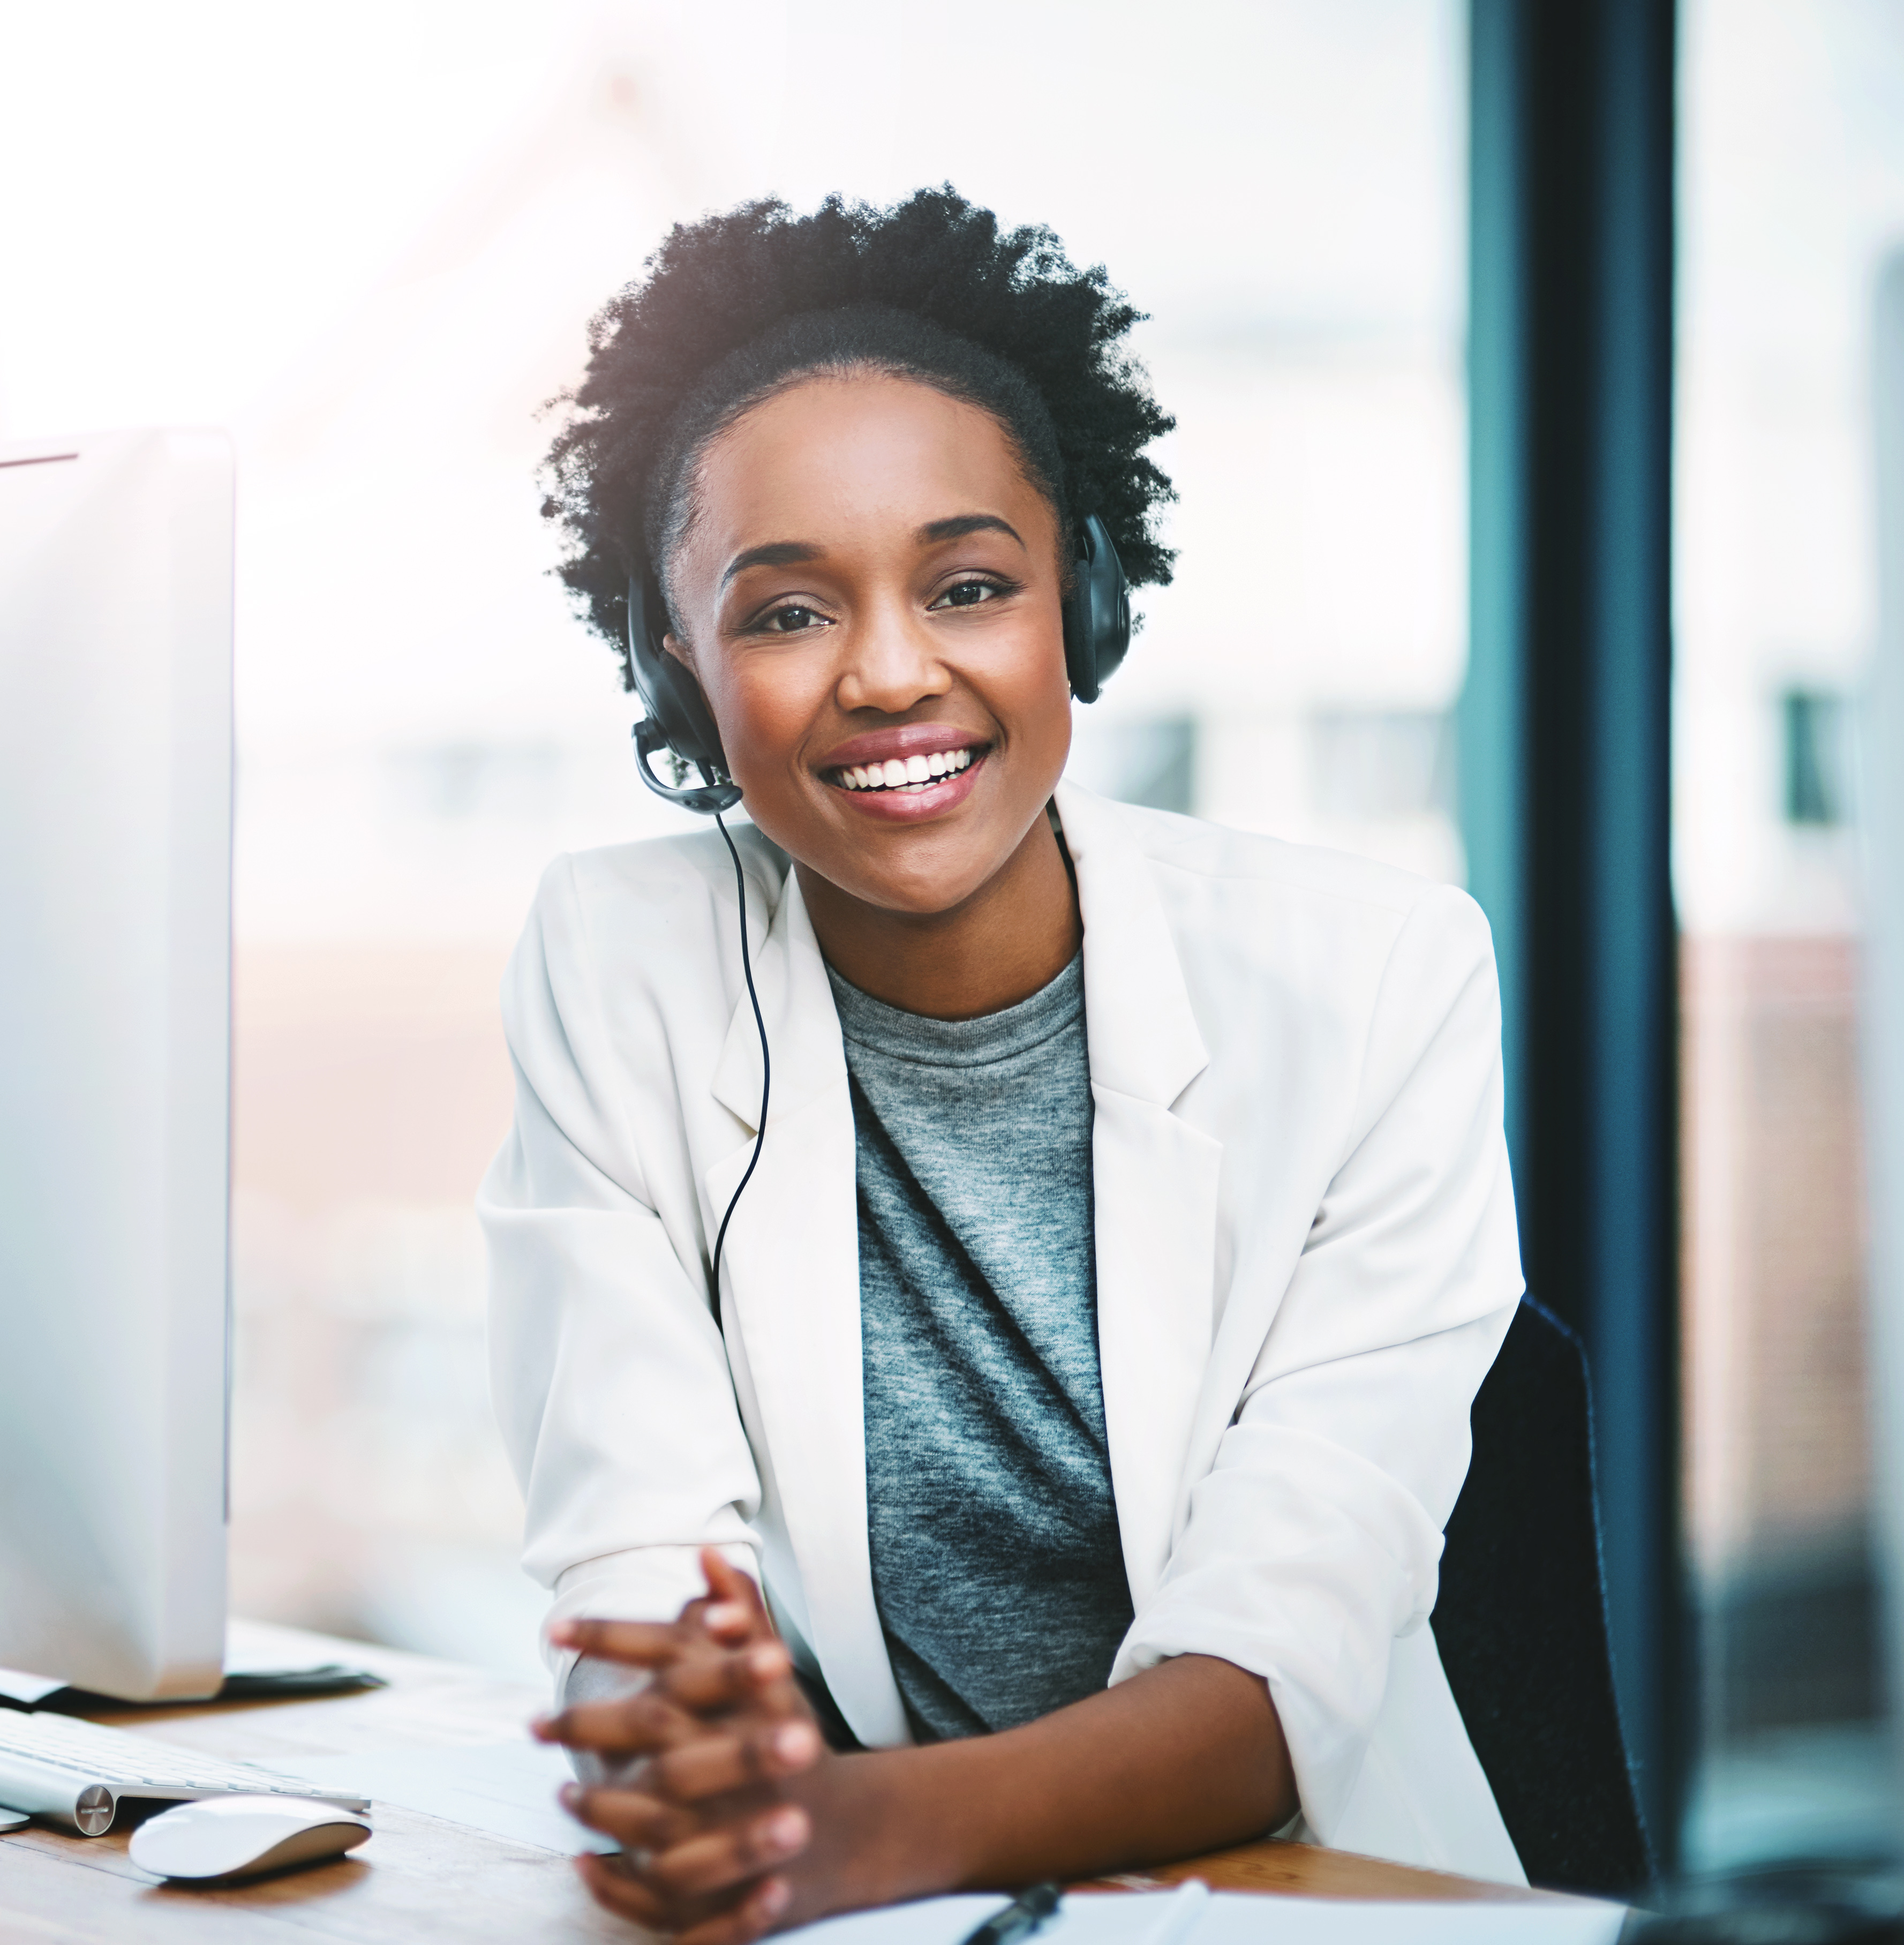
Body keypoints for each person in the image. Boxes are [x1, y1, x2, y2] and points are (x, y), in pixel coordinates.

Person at [485, 188, 1524, 1943]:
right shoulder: (616, 958)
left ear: (1084, 600)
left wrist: (830, 1833)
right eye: (784, 613)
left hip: (1280, 1897)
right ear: (679, 661)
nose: (890, 674)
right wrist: (669, 1741)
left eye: (967, 587)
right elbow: (632, 1553)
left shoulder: (1376, 980)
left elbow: (1280, 1655)